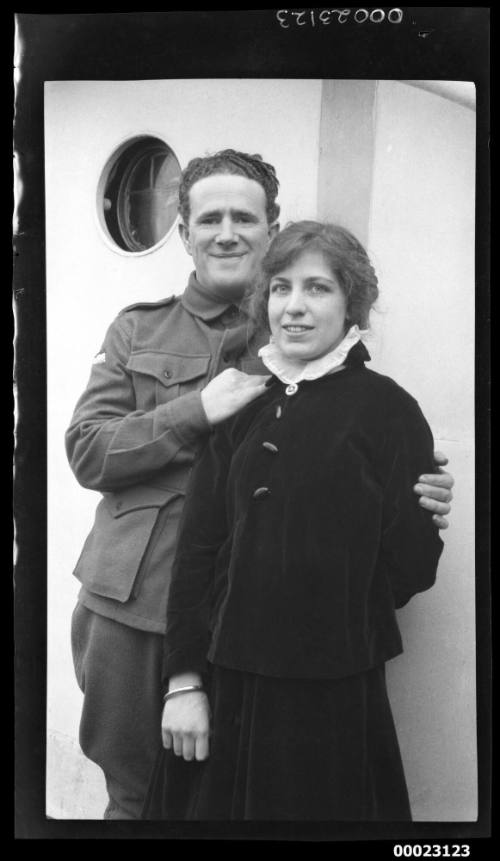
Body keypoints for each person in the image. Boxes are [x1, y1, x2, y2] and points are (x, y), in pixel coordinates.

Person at [66, 151, 453, 820]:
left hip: (253, 629)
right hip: (134, 608)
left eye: (244, 217)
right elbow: (86, 450)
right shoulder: (137, 329)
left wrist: (413, 492)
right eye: (208, 217)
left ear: (271, 230)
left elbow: (360, 468)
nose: (226, 232)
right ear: (183, 230)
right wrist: (193, 411)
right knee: (136, 797)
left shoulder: (303, 333)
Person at [143, 221, 445, 821]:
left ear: (351, 303)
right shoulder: (241, 408)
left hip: (333, 696)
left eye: (317, 289)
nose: (295, 308)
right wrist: (184, 682)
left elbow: (410, 568)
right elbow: (198, 551)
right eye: (280, 289)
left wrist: (325, 611)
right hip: (228, 689)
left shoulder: (388, 410)